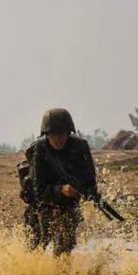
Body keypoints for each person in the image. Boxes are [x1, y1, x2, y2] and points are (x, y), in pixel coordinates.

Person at [22, 108, 97, 255]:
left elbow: (91, 181)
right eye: (53, 134)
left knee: (63, 253)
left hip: (68, 206)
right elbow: (39, 192)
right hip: (41, 206)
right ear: (46, 135)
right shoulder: (39, 149)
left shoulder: (80, 147)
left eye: (61, 134)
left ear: (69, 133)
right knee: (34, 250)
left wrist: (88, 194)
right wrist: (61, 189)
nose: (58, 139)